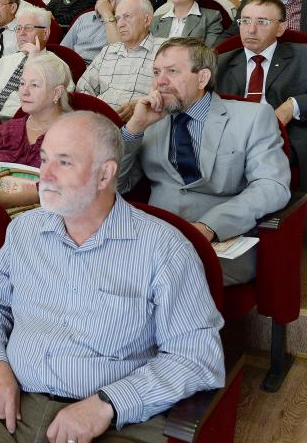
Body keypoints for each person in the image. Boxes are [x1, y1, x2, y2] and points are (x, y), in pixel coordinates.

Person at [0, 110, 225, 443]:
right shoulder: (24, 231)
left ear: (105, 175)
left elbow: (195, 357)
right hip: (15, 409)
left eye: (64, 162)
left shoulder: (163, 249)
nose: (44, 174)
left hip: (115, 423)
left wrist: (108, 403)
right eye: (44, 159)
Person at [120, 37, 290, 285]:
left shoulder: (252, 117)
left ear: (202, 78)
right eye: (156, 72)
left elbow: (272, 186)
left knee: (156, 277)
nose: (160, 81)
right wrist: (134, 129)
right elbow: (115, 185)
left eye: (172, 71)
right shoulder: (149, 120)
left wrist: (209, 226)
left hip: (221, 241)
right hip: (154, 238)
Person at [216, 0, 307, 185]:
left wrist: (292, 106)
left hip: (283, 139)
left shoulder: (302, 55)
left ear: (280, 28)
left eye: (262, 22)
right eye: (245, 21)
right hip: (229, 141)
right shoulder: (219, 62)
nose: (251, 29)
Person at [0, 56, 72, 210]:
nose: (24, 92)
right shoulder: (7, 130)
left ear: (57, 93)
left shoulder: (71, 134)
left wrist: (13, 200)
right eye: (22, 83)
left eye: (34, 85)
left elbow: (65, 185)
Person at [77, 0, 166, 120]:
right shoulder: (108, 51)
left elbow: (173, 93)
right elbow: (84, 88)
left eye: (127, 17)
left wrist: (144, 105)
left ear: (147, 20)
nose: (120, 24)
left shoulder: (165, 50)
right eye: (117, 18)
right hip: (100, 122)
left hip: (142, 123)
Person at [0, 9, 69, 120]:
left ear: (45, 33)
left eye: (28, 28)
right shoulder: (6, 61)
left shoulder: (58, 67)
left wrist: (35, 61)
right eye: (18, 28)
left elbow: (57, 106)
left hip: (23, 125)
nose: (21, 33)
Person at [61, 0, 129, 65]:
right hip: (73, 67)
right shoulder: (84, 18)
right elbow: (63, 50)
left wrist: (106, 13)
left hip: (101, 71)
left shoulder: (128, 22)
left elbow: (119, 53)